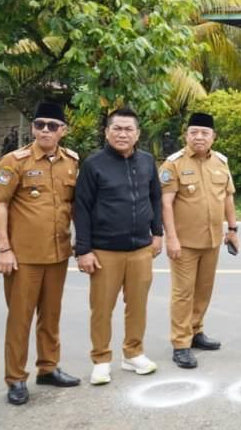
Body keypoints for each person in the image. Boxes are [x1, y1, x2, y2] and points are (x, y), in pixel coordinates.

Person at [0, 102, 81, 405]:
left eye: (52, 125)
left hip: (57, 254)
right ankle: (16, 378)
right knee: (20, 319)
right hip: (24, 257)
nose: (45, 130)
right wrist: (4, 248)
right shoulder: (14, 161)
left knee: (51, 317)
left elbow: (73, 206)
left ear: (62, 131)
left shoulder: (71, 161)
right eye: (39, 124)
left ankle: (48, 367)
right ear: (32, 128)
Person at [74, 107, 164, 385]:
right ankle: (101, 359)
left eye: (128, 129)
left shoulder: (148, 161)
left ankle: (133, 353)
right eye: (117, 128)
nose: (123, 134)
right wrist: (84, 250)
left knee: (137, 304)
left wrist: (157, 233)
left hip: (140, 248)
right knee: (102, 308)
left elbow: (155, 198)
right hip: (104, 250)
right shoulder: (94, 164)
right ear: (107, 132)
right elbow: (82, 208)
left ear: (137, 134)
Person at [159, 112, 238, 370]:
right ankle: (181, 344)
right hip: (184, 242)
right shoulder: (173, 164)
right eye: (194, 132)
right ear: (187, 135)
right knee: (183, 293)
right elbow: (166, 203)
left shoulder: (221, 163)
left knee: (204, 290)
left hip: (212, 239)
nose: (199, 137)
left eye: (205, 133)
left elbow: (227, 198)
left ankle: (196, 331)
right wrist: (171, 238)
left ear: (213, 137)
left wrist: (233, 229)